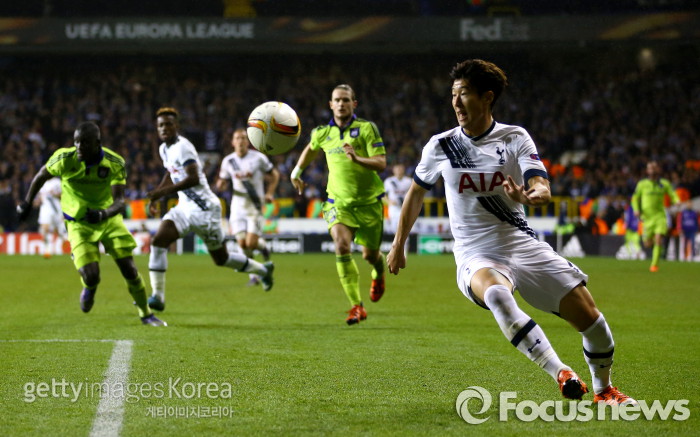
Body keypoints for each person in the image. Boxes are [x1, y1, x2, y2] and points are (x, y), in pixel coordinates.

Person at [387, 59, 635, 404]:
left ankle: (604, 389)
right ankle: (561, 372)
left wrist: (530, 196)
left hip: (522, 244)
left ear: (487, 97)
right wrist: (398, 244)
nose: (456, 102)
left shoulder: (514, 137)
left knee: (594, 324)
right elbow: (415, 194)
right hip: (476, 253)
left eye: (464, 94)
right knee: (497, 295)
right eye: (453, 94)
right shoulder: (441, 146)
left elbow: (541, 187)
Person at [16, 121, 166, 326]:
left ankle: (146, 314)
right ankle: (90, 287)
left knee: (129, 269)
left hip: (108, 220)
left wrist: (103, 214)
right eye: (76, 142)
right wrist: (26, 203)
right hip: (78, 224)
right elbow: (42, 175)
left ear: (97, 143)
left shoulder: (114, 162)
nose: (79, 147)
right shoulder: (65, 158)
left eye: (85, 143)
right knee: (91, 275)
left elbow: (120, 202)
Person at [146, 107, 274, 312]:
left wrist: (164, 191)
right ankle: (157, 296)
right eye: (160, 125)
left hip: (205, 211)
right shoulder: (164, 149)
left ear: (176, 126)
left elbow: (193, 178)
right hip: (184, 208)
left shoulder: (184, 147)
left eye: (168, 124)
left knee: (221, 259)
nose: (164, 128)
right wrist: (158, 194)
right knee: (158, 241)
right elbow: (171, 172)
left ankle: (262, 270)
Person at [291, 84, 388, 325]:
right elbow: (310, 149)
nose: (341, 104)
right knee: (342, 246)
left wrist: (357, 158)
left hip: (369, 203)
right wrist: (296, 172)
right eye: (337, 100)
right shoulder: (322, 133)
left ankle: (378, 272)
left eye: (346, 100)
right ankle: (357, 306)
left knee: (370, 255)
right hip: (338, 202)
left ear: (354, 104)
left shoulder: (366, 128)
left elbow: (381, 163)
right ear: (331, 104)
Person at [216, 128, 280, 286]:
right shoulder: (228, 161)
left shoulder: (258, 158)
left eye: (244, 138)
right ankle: (254, 277)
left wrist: (270, 193)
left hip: (255, 206)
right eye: (237, 138)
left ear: (248, 142)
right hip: (237, 207)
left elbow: (275, 175)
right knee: (242, 245)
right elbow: (222, 180)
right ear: (233, 142)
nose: (241, 141)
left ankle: (262, 247)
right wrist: (221, 184)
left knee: (251, 243)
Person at [631, 161, 680, 272]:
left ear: (658, 170)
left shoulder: (664, 183)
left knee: (658, 238)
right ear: (647, 171)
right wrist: (636, 209)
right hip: (647, 218)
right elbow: (635, 198)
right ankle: (657, 249)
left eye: (654, 168)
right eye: (650, 168)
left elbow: (672, 194)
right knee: (647, 244)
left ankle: (654, 265)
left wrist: (676, 200)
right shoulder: (642, 184)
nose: (652, 170)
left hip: (660, 216)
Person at [36, 176, 67, 258]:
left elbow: (64, 195)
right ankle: (47, 250)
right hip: (45, 209)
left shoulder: (57, 182)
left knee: (57, 230)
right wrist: (37, 201)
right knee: (44, 228)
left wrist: (55, 194)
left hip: (56, 209)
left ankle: (64, 239)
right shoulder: (42, 182)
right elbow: (40, 196)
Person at [383, 162, 412, 235]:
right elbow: (383, 195)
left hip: (405, 206)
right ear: (393, 170)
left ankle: (406, 242)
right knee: (394, 227)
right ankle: (396, 242)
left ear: (404, 169)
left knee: (405, 226)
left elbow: (414, 194)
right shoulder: (388, 181)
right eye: (397, 169)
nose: (399, 170)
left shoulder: (409, 181)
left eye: (401, 168)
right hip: (394, 207)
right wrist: (389, 202)